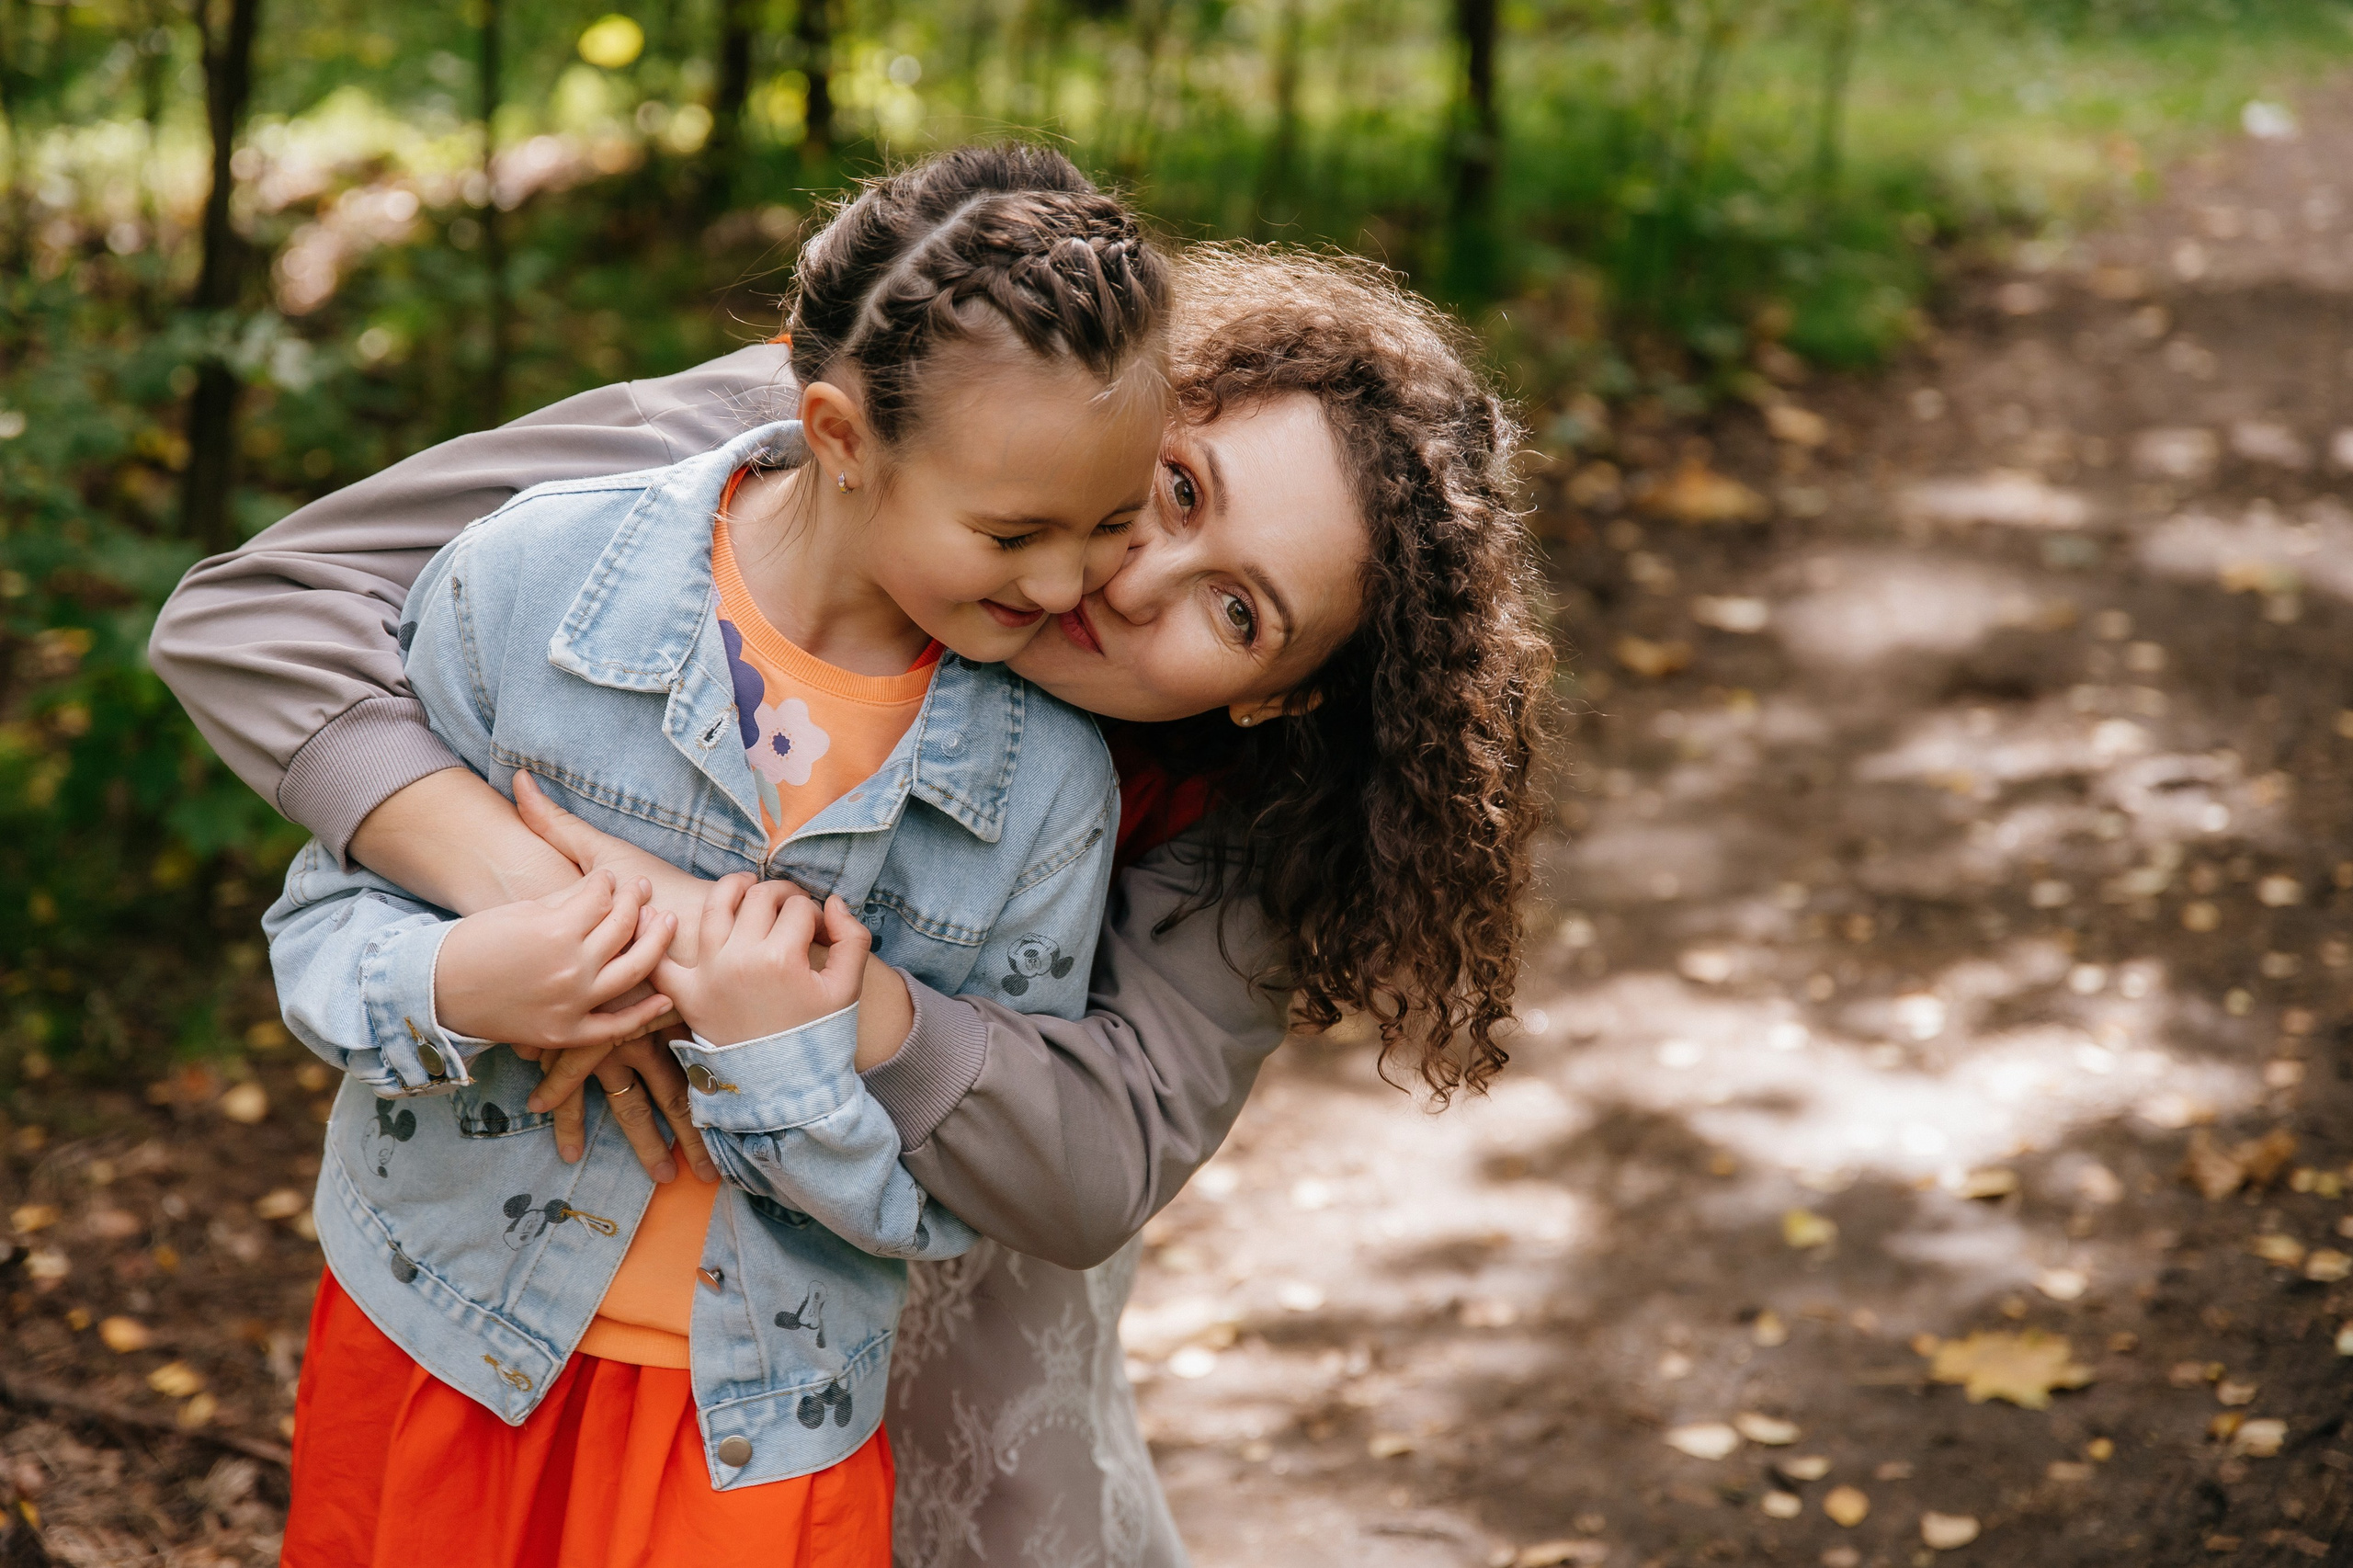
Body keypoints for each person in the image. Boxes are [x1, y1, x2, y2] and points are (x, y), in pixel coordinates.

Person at [151, 237, 1553, 1567]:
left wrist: (843, 1002)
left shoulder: (1248, 805)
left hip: (911, 1324)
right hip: (505, 1292)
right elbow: (255, 610)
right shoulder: (814, 448)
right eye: (1177, 489)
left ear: (1277, 692)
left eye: (1238, 611)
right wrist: (542, 891)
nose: (1127, 582)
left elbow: (1101, 1153)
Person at [251, 142, 1171, 1565]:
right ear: (841, 435)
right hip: (438, 1329)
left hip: (761, 1422)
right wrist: (465, 977)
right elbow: (318, 929)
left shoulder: (1047, 779)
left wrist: (778, 1058)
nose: (1065, 586)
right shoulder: (531, 583)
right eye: (1013, 531)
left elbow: (953, 1199)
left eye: (1110, 526)